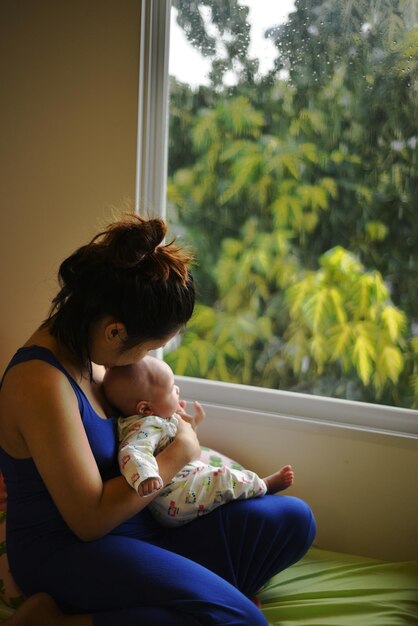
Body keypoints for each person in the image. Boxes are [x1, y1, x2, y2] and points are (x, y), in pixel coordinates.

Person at [0, 214, 316, 626]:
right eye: (149, 348)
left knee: (293, 520)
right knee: (243, 622)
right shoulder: (40, 382)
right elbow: (88, 520)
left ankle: (174, 605)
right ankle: (53, 622)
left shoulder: (92, 355)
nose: (144, 361)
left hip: (142, 524)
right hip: (71, 548)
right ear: (114, 332)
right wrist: (181, 452)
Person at [103, 355, 295, 526]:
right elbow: (132, 452)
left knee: (215, 473)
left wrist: (183, 422)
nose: (177, 390)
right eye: (171, 390)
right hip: (175, 496)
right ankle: (263, 485)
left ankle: (246, 490)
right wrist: (145, 476)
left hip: (181, 489)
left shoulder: (153, 419)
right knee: (223, 478)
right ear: (145, 409)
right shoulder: (145, 426)